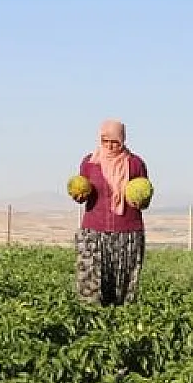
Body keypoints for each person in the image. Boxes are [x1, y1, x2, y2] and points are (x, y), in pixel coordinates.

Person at [71, 119, 150, 306]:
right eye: (105, 141)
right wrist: (79, 196)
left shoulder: (135, 164)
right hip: (93, 232)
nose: (110, 145)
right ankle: (92, 323)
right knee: (90, 283)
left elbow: (144, 197)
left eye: (115, 141)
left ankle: (120, 326)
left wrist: (141, 200)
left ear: (122, 140)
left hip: (127, 233)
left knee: (122, 287)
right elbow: (84, 192)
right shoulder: (89, 163)